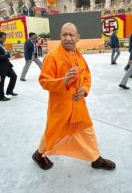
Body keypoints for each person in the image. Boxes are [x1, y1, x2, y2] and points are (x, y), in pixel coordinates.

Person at [32, 23, 115, 171]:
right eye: (65, 35)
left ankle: (96, 159)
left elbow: (86, 76)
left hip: (78, 105)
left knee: (87, 130)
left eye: (71, 35)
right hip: (61, 107)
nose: (68, 38)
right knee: (52, 133)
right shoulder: (52, 57)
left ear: (78, 38)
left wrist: (84, 89)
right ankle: (39, 155)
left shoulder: (78, 55)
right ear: (60, 37)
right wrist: (62, 81)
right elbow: (44, 82)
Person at [0, 32, 18, 101]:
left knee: (14, 76)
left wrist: (8, 53)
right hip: (0, 67)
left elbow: (3, 53)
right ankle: (1, 96)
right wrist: (8, 55)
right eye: (4, 38)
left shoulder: (0, 44)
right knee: (1, 82)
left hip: (7, 65)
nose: (5, 39)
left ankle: (9, 91)